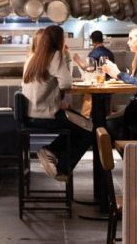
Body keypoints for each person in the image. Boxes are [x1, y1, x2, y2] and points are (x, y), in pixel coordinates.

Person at [22, 25, 93, 181]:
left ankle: (51, 152)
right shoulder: (54, 55)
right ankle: (60, 167)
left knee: (83, 126)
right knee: (89, 132)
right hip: (47, 115)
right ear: (59, 40)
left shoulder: (32, 57)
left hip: (31, 115)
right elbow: (67, 83)